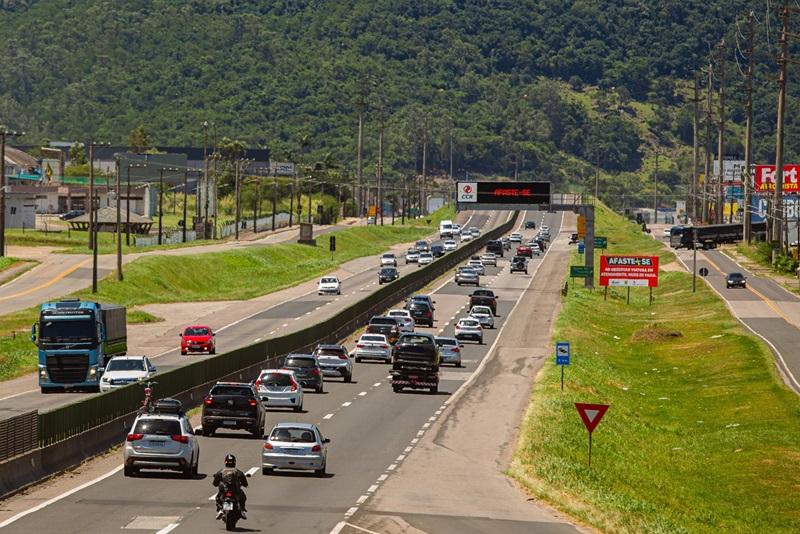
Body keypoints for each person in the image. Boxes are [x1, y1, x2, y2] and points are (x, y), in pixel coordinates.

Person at [213, 453, 248, 520]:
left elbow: (215, 484)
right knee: (243, 497)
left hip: (225, 493)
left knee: (218, 497)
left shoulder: (221, 472)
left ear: (225, 462)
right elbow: (245, 484)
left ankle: (220, 509)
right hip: (234, 492)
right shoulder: (238, 472)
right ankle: (242, 510)